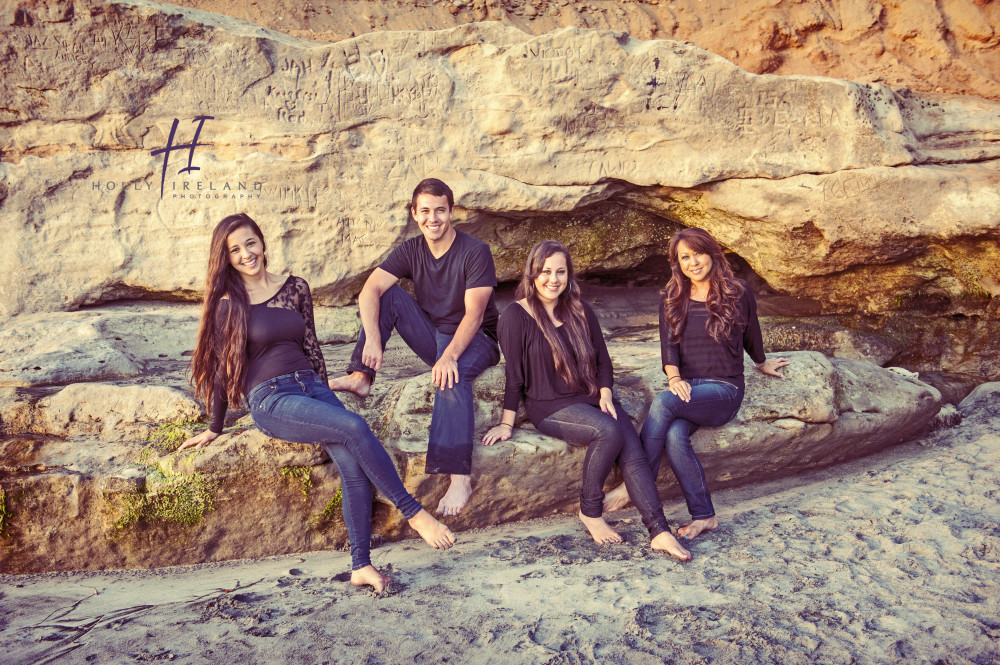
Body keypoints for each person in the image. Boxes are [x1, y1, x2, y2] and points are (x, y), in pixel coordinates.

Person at [179, 213, 455, 594]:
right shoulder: (229, 303)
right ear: (225, 258)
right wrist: (214, 428)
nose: (246, 254)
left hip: (310, 386)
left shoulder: (295, 287)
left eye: (251, 243)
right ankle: (414, 514)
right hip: (272, 399)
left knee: (353, 467)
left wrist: (325, 390)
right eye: (235, 250)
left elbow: (311, 346)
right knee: (355, 427)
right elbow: (222, 371)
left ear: (263, 241)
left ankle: (361, 566)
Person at [482, 240, 693, 561]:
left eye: (560, 272)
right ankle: (590, 511)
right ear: (532, 273)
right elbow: (514, 375)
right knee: (608, 431)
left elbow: (603, 361)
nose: (553, 280)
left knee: (632, 451)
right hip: (550, 406)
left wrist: (606, 392)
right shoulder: (515, 315)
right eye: (545, 272)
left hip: (594, 398)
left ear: (569, 275)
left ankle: (659, 531)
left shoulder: (581, 309)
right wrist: (506, 422)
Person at [603, 227, 789, 541]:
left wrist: (761, 362)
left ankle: (634, 485)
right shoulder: (671, 297)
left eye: (698, 253)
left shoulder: (738, 291)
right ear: (677, 263)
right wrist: (674, 378)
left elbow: (751, 333)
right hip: (689, 387)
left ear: (712, 253)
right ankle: (705, 515)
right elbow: (668, 347)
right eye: (684, 257)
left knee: (663, 402)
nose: (693, 262)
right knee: (675, 436)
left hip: (724, 390)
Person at [329, 178, 501, 516]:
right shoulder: (411, 250)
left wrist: (450, 357)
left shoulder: (474, 251)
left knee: (451, 376)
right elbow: (369, 291)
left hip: (478, 339)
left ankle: (459, 476)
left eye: (440, 210)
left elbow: (475, 314)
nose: (432, 218)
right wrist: (374, 340)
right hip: (435, 336)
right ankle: (361, 376)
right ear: (414, 213)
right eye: (425, 211)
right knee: (388, 295)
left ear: (452, 211)